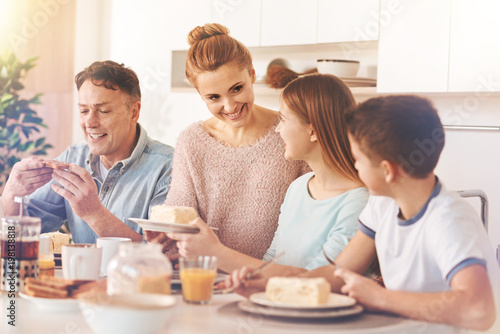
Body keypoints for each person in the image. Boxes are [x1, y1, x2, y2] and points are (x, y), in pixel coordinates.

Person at [227, 95, 499, 331]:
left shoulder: (447, 221)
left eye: (358, 159)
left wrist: (380, 297)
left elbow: (479, 309)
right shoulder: (384, 204)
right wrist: (272, 287)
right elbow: (338, 272)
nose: (354, 166)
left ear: (387, 170)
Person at [166, 74, 369, 274]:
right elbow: (272, 259)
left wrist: (217, 254)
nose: (278, 129)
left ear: (313, 131)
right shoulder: (299, 187)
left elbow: (317, 280)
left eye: (284, 120)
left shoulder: (359, 202)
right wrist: (247, 281)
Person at [146, 23, 309, 259]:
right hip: (207, 278)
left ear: (252, 74)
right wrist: (166, 236)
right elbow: (180, 211)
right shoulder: (192, 142)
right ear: (200, 95)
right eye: (214, 97)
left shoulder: (288, 132)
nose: (230, 106)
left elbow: (314, 213)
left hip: (273, 281)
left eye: (237, 88)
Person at [1, 60, 174, 243]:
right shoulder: (73, 158)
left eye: (104, 111)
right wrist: (11, 193)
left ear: (133, 112)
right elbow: (18, 236)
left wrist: (94, 214)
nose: (90, 123)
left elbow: (163, 254)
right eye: (84, 111)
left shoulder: (170, 168)